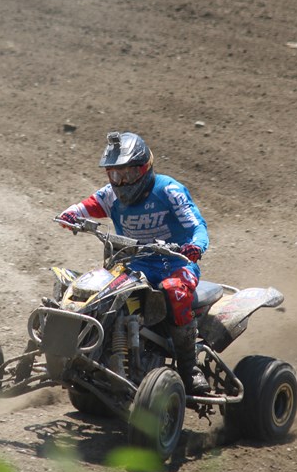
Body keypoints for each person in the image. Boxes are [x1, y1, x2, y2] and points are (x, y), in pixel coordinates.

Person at [59, 131, 211, 394]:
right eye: (114, 175)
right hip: (133, 264)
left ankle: (189, 368)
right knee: (93, 291)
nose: (120, 182)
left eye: (127, 174)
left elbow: (197, 225)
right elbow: (84, 207)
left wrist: (195, 246)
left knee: (175, 290)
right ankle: (87, 352)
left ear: (144, 169)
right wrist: (70, 214)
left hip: (175, 263)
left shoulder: (169, 190)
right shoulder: (111, 194)